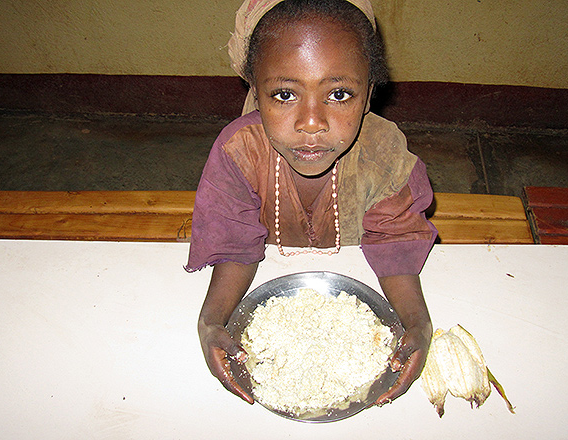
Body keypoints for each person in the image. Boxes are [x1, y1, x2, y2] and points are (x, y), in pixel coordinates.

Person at [185, 0, 437, 407]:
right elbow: (235, 244)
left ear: (369, 93)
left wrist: (418, 324)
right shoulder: (239, 153)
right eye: (285, 94)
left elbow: (395, 245)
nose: (311, 122)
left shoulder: (383, 154)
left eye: (339, 94)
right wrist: (211, 321)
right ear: (256, 91)